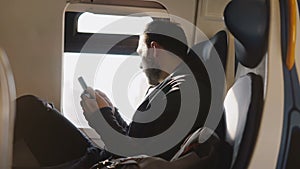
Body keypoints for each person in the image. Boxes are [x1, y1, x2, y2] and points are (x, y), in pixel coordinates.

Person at [13, 20, 221, 169]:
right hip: (104, 156)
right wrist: (111, 111)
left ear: (154, 49)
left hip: (103, 162)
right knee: (36, 109)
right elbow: (138, 140)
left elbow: (134, 156)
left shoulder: (180, 93)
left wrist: (100, 119)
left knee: (30, 109)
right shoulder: (174, 85)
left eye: (141, 55)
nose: (141, 64)